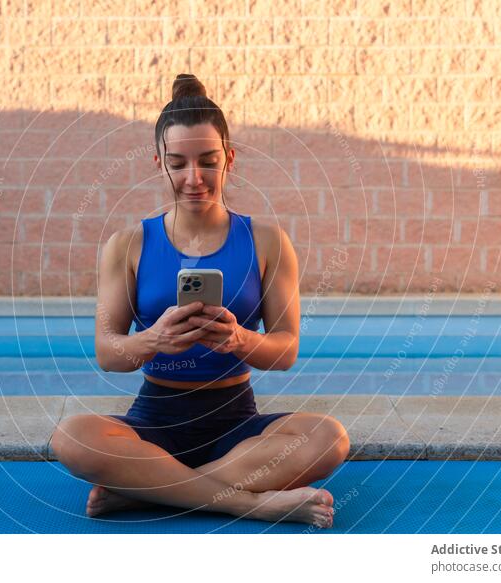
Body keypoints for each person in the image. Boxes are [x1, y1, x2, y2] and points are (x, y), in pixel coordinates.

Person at [50, 74, 350, 528]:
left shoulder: (268, 241)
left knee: (329, 438)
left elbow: (285, 350)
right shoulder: (127, 244)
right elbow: (109, 353)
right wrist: (153, 339)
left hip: (238, 424)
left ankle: (149, 491)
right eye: (179, 163)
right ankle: (244, 501)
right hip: (155, 419)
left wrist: (238, 339)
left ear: (229, 158)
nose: (194, 178)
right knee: (71, 437)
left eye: (208, 161)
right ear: (160, 164)